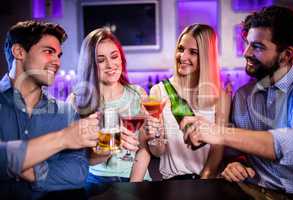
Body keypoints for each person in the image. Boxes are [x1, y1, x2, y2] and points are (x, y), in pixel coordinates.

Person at [181, 5, 293, 198]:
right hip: (251, 191)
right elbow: (234, 152)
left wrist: (218, 132)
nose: (246, 53)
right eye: (247, 43)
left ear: (286, 55)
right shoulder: (243, 96)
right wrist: (236, 164)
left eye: (258, 47)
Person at [0, 20, 100, 199]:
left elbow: (78, 171)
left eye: (59, 55)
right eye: (48, 52)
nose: (57, 62)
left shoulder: (66, 112)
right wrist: (64, 138)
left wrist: (30, 171)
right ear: (19, 51)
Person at [68, 28, 151, 195]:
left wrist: (132, 186)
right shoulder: (76, 100)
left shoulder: (138, 95)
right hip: (94, 181)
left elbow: (144, 149)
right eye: (101, 60)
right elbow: (76, 157)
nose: (110, 65)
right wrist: (110, 142)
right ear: (90, 64)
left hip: (136, 178)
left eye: (114, 56)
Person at [143, 24, 231, 180]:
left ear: (206, 57)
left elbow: (217, 150)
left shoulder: (221, 96)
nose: (183, 57)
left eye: (193, 52)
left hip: (206, 181)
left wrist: (203, 181)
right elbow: (158, 152)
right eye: (181, 49)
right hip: (172, 183)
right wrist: (154, 136)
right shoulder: (159, 91)